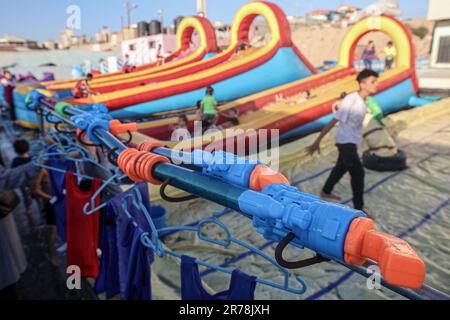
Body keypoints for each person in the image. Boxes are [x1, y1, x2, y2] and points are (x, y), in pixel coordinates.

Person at [307, 69, 380, 212]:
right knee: (358, 173)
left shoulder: (363, 102)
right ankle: (359, 210)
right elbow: (334, 120)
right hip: (345, 142)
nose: (376, 84)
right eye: (373, 82)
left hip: (351, 141)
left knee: (341, 167)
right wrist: (317, 141)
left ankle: (326, 191)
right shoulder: (351, 100)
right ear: (363, 84)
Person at [32, 168, 60, 266]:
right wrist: (51, 198)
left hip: (64, 202)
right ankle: (52, 253)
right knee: (52, 230)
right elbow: (35, 191)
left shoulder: (64, 164)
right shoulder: (43, 170)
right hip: (51, 204)